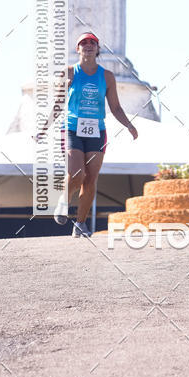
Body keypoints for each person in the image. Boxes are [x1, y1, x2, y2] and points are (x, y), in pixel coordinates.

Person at [49, 33, 138, 236]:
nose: (88, 45)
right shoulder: (69, 72)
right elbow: (58, 103)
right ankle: (63, 200)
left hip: (96, 130)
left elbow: (115, 107)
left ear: (98, 49)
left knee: (90, 179)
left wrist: (129, 125)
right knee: (77, 173)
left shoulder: (106, 76)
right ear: (78, 49)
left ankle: (80, 224)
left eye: (92, 43)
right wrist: (44, 127)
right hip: (72, 128)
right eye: (84, 43)